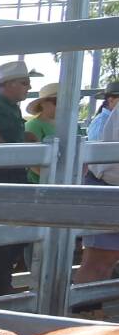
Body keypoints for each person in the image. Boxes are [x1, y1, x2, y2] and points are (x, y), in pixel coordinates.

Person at [0, 60, 42, 298]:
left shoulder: (7, 107)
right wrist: (9, 153)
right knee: (10, 233)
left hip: (8, 174)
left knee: (13, 232)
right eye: (24, 82)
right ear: (9, 84)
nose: (28, 86)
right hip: (5, 174)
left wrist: (22, 140)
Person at [73, 107, 119, 318]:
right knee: (100, 260)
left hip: (110, 179)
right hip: (110, 182)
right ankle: (84, 317)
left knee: (102, 260)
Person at [25, 82, 59, 183]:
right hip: (40, 184)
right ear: (43, 103)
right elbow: (31, 161)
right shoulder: (33, 125)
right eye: (56, 101)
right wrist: (55, 177)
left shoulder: (73, 125)